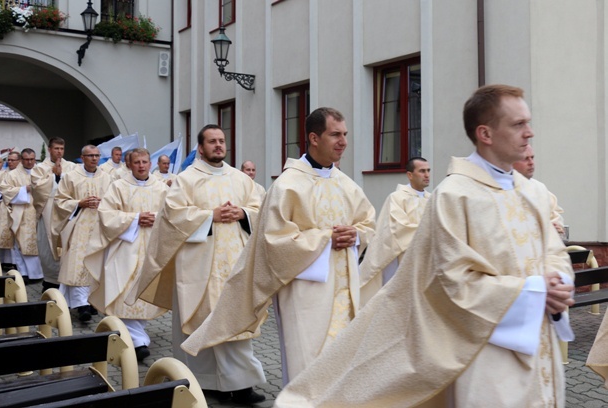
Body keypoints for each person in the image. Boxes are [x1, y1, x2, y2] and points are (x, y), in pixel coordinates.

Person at [270, 85, 576, 407]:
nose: (529, 133)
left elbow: (553, 251)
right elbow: (451, 280)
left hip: (540, 340)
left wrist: (559, 281)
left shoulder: (534, 193)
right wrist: (534, 291)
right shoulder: (456, 195)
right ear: (485, 133)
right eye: (518, 124)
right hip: (486, 349)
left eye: (527, 122)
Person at [180, 107, 376, 387]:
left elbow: (368, 221)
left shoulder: (347, 184)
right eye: (335, 134)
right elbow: (274, 239)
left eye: (344, 134)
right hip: (305, 287)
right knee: (306, 362)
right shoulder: (288, 185)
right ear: (314, 138)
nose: (343, 141)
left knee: (343, 360)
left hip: (344, 287)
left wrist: (356, 235)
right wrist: (324, 239)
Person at [128, 124, 266, 404]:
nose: (218, 145)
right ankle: (201, 383)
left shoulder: (242, 180)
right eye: (212, 141)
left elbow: (261, 208)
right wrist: (208, 216)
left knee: (234, 321)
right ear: (200, 148)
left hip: (235, 264)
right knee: (200, 322)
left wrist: (243, 213)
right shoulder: (186, 179)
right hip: (198, 266)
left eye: (222, 141)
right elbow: (172, 217)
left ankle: (240, 385)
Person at [84, 148, 168, 362]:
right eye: (137, 162)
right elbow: (106, 214)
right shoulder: (119, 187)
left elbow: (171, 214)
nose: (141, 165)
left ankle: (136, 335)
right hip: (125, 248)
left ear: (151, 164)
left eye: (145, 161)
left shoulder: (161, 188)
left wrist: (155, 218)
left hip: (151, 248)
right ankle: (138, 341)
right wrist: (135, 219)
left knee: (145, 291)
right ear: (129, 165)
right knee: (123, 289)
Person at [52, 145, 112, 322]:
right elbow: (59, 201)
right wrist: (79, 203)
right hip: (78, 226)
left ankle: (93, 301)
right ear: (82, 157)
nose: (94, 159)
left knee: (97, 264)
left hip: (101, 226)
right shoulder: (71, 177)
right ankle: (81, 305)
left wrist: (104, 202)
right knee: (78, 264)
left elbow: (114, 201)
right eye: (90, 156)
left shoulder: (107, 178)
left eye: (97, 155)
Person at [359, 157, 431, 300]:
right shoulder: (397, 198)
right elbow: (398, 228)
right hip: (402, 258)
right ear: (410, 175)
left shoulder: (432, 199)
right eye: (422, 171)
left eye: (428, 170)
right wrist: (428, 233)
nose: (427, 175)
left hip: (426, 258)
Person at [31, 137, 78, 292]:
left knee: (68, 245)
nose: (59, 152)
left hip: (68, 212)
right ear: (49, 149)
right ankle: (51, 281)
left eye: (62, 149)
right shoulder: (39, 168)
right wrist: (54, 176)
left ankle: (69, 282)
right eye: (56, 148)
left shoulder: (72, 167)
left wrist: (62, 176)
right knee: (47, 246)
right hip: (49, 210)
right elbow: (37, 188)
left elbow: (77, 185)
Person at [0, 149, 44, 282]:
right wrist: (25, 189)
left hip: (39, 212)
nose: (29, 162)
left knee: (36, 244)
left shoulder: (41, 172)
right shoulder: (12, 175)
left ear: (35, 159)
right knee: (20, 243)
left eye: (32, 159)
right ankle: (23, 272)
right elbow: (5, 191)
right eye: (26, 159)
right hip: (21, 213)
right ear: (21, 160)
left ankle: (36, 274)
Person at [513, 144, 566, 239]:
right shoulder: (501, 190)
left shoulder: (541, 189)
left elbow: (557, 224)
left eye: (532, 158)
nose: (531, 163)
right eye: (525, 159)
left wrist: (557, 228)